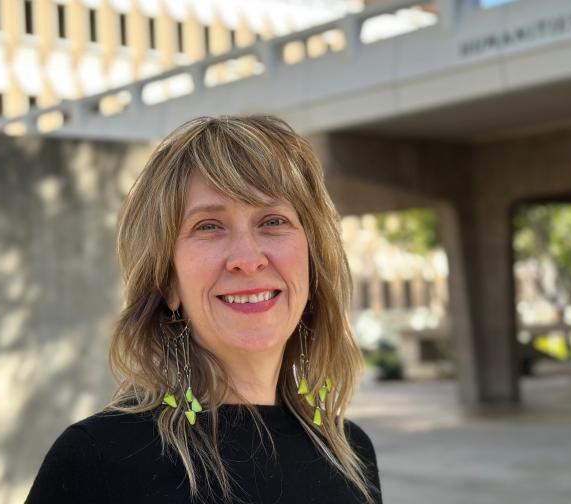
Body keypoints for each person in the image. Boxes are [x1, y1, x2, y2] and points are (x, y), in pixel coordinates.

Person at [25, 115, 382, 504]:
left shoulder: (351, 453)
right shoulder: (96, 460)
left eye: (273, 220)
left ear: (312, 262)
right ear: (169, 281)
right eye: (209, 226)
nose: (248, 259)